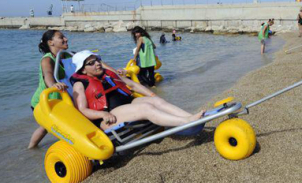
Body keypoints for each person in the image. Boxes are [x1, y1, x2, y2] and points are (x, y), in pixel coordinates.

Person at [70, 51, 203, 130]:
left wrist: (151, 94)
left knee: (156, 100)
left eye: (97, 60)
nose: (97, 64)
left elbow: (132, 85)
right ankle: (185, 123)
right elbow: (83, 110)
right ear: (82, 69)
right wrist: (103, 115)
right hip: (108, 115)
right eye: (91, 63)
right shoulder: (80, 84)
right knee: (145, 108)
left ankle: (188, 116)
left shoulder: (107, 74)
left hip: (128, 104)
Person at [28, 30, 69, 149]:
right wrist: (53, 85)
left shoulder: (65, 55)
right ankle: (31, 148)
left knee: (45, 127)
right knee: (51, 126)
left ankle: (31, 148)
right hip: (42, 102)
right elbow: (48, 74)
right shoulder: (47, 59)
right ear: (51, 42)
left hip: (57, 100)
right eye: (61, 37)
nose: (66, 39)